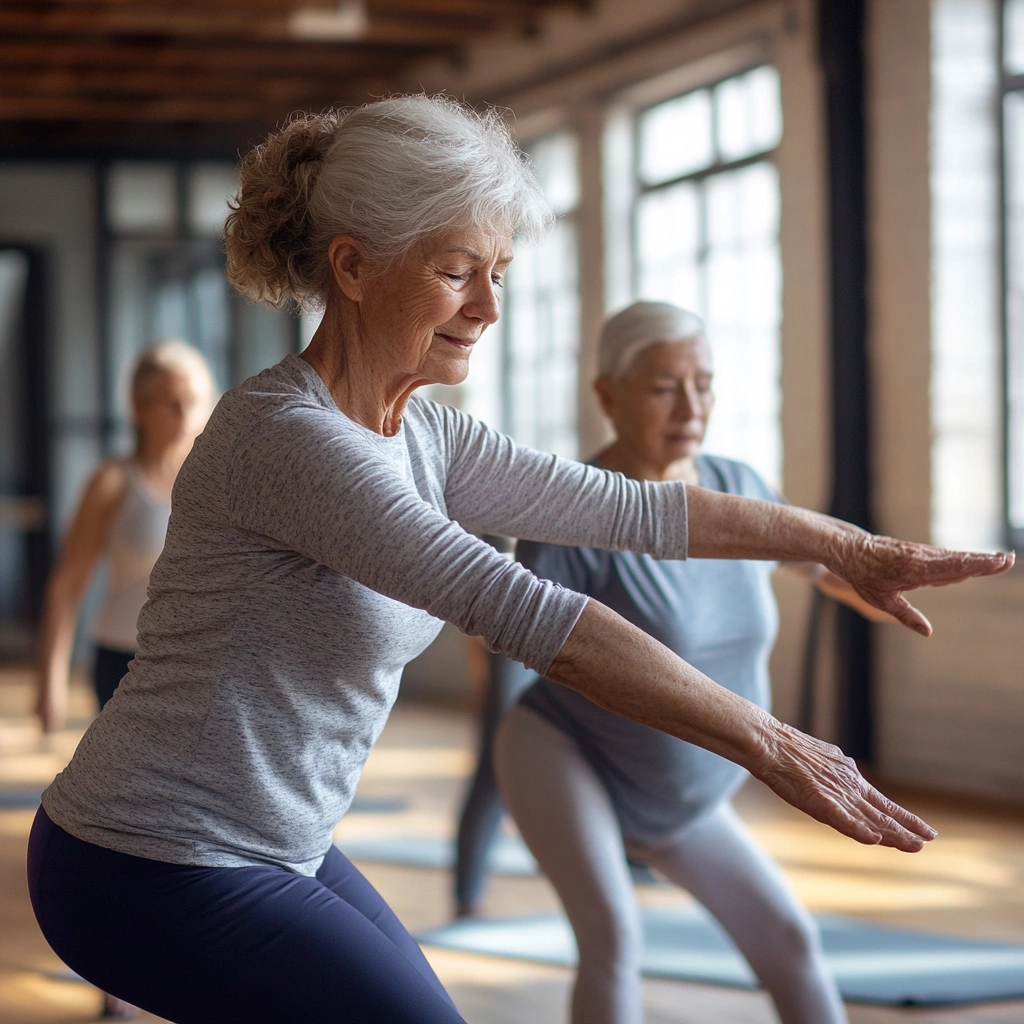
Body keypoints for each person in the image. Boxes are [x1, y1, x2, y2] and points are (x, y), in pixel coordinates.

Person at [24, 96, 1012, 1024]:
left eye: (499, 271)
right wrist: (772, 742)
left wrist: (848, 545)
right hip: (143, 858)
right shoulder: (287, 440)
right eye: (458, 270)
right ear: (355, 266)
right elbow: (534, 614)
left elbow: (633, 508)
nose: (488, 305)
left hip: (275, 846)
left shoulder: (424, 436)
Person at [494, 300, 898, 1024]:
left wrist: (886, 584)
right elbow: (543, 650)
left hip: (685, 788)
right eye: (662, 387)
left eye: (704, 383)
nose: (691, 406)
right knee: (613, 936)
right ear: (607, 395)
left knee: (789, 940)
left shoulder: (736, 486)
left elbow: (825, 565)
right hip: (564, 755)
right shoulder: (569, 515)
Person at [33, 339, 215, 1018]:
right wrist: (49, 677)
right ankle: (114, 976)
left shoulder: (217, 474)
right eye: (169, 399)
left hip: (197, 665)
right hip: (122, 665)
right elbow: (67, 584)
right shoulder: (114, 482)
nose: (185, 410)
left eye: (194, 396)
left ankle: (181, 948)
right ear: (138, 408)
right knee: (129, 822)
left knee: (190, 816)